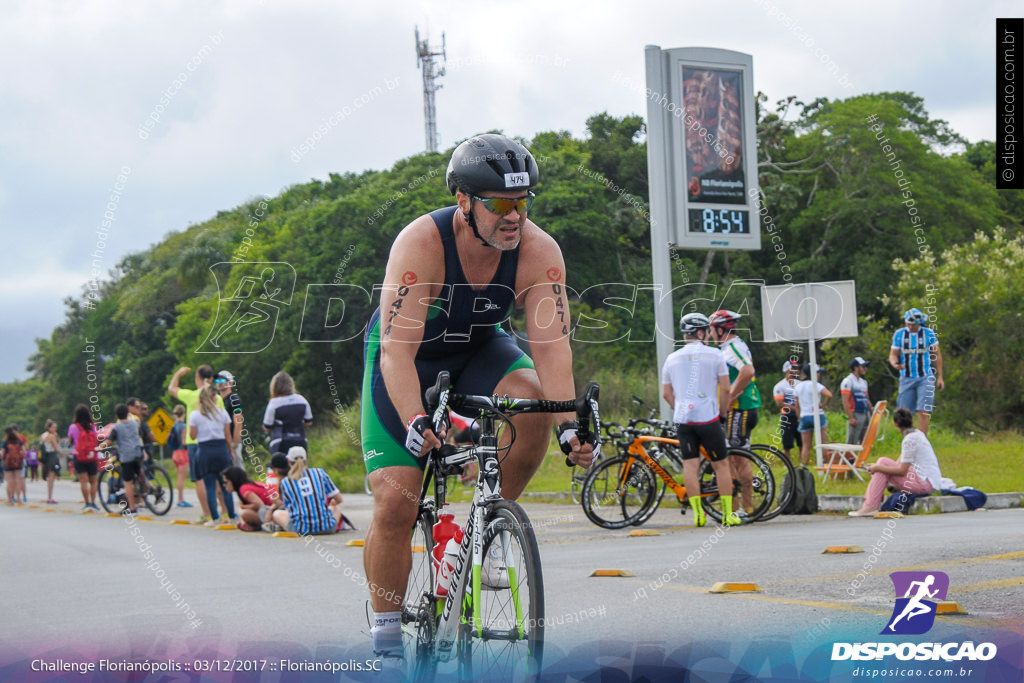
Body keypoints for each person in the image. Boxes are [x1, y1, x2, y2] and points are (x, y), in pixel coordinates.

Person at [360, 134, 593, 655]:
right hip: (409, 361)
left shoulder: (539, 251)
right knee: (397, 500)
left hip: (481, 350)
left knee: (532, 400)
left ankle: (483, 531)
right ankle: (386, 636)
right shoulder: (421, 243)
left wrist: (570, 426)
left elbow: (553, 351)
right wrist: (417, 419)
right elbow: (396, 354)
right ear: (464, 201)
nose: (515, 216)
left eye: (524, 201)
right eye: (502, 204)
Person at [662, 313, 740, 526]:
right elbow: (725, 389)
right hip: (708, 418)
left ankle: (698, 514)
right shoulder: (715, 355)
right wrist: (722, 414)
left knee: (690, 466)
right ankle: (726, 514)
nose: (709, 334)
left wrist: (679, 408)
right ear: (700, 332)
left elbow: (666, 394)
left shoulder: (671, 358)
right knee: (721, 465)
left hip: (684, 420)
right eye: (707, 330)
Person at [708, 309, 758, 518]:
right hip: (742, 409)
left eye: (711, 330)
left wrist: (730, 396)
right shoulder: (729, 347)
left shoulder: (733, 347)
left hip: (740, 409)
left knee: (734, 459)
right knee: (734, 458)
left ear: (720, 329)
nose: (709, 334)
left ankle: (742, 508)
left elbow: (748, 370)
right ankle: (745, 508)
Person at [848, 407, 942, 516]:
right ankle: (873, 501)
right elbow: (901, 460)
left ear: (895, 425)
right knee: (883, 464)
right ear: (912, 420)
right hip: (930, 482)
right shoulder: (918, 434)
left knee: (882, 462)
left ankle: (870, 506)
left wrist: (877, 468)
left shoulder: (909, 440)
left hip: (925, 484)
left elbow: (902, 470)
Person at [169, 365, 224, 522]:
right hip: (215, 439)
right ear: (211, 379)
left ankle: (207, 514)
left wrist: (178, 373)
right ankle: (224, 512)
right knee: (216, 476)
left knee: (199, 478)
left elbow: (172, 388)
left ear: (197, 378)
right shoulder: (217, 398)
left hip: (195, 441)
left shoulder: (191, 395)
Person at [188, 384, 237, 527]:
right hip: (221, 449)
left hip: (204, 450)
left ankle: (214, 518)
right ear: (212, 397)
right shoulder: (222, 413)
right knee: (225, 485)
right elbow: (227, 434)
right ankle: (231, 515)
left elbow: (193, 435)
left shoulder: (195, 415)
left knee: (209, 485)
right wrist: (230, 451)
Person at [889, 308, 944, 434]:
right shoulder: (899, 334)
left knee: (923, 410)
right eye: (908, 323)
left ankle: (922, 440)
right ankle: (908, 440)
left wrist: (940, 377)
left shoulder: (928, 333)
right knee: (903, 412)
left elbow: (937, 355)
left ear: (919, 323)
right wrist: (895, 364)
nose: (910, 326)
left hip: (925, 376)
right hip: (906, 377)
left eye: (913, 324)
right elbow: (893, 355)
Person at [270, 446, 343, 535]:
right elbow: (339, 499)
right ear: (306, 460)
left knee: (277, 513)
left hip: (300, 530)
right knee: (337, 508)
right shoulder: (320, 472)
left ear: (289, 462)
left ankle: (281, 527)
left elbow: (289, 508)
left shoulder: (285, 482)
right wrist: (333, 503)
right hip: (327, 528)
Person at [99, 404, 145, 514]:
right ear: (127, 413)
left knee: (127, 482)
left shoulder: (117, 427)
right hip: (138, 452)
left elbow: (109, 441)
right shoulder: (135, 423)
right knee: (139, 476)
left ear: (117, 415)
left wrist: (99, 447)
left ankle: (133, 508)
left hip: (127, 456)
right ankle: (143, 496)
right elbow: (139, 435)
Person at [263, 371, 312, 454]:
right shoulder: (302, 400)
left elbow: (267, 426)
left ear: (274, 387)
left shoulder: (274, 403)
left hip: (281, 443)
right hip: (300, 440)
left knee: (280, 466)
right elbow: (309, 422)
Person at [794, 364, 832, 466]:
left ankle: (804, 465)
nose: (819, 375)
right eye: (818, 372)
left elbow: (797, 405)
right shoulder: (816, 385)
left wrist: (799, 416)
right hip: (817, 414)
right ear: (813, 374)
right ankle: (825, 463)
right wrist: (823, 404)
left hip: (804, 416)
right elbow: (829, 395)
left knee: (806, 445)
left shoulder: (798, 386)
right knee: (822, 443)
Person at [68, 404, 100, 511]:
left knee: (83, 481)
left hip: (79, 456)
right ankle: (93, 502)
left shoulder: (73, 427)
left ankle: (87, 503)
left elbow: (70, 440)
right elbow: (97, 439)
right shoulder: (93, 427)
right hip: (91, 456)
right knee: (93, 481)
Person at [221, 466, 274, 531]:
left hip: (272, 512)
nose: (224, 485)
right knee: (241, 510)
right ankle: (251, 525)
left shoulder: (244, 489)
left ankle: (261, 525)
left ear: (233, 481)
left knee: (244, 512)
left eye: (226, 482)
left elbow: (260, 505)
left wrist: (245, 507)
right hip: (270, 511)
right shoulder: (245, 486)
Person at [772, 361, 802, 462]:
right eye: (793, 368)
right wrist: (796, 409)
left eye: (796, 368)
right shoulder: (779, 386)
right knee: (787, 444)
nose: (796, 370)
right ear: (787, 370)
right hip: (787, 416)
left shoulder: (800, 384)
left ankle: (803, 463)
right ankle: (787, 464)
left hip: (800, 416)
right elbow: (780, 403)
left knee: (801, 442)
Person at [216, 370, 244, 468]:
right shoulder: (217, 400)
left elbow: (238, 422)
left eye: (223, 381)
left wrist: (234, 443)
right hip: (221, 440)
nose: (219, 383)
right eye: (217, 381)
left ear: (230, 383)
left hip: (232, 438)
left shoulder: (234, 399)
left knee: (237, 468)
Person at [841, 357, 872, 444]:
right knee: (852, 442)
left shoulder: (863, 382)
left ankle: (862, 458)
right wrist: (850, 418)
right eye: (863, 366)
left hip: (865, 414)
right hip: (855, 413)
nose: (865, 369)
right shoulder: (848, 381)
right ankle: (849, 457)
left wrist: (872, 412)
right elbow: (845, 401)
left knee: (865, 442)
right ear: (855, 368)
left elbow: (866, 399)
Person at [166, 405, 192, 507]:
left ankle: (179, 499)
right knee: (182, 478)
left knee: (178, 477)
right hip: (182, 453)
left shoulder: (174, 425)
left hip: (175, 452)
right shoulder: (183, 426)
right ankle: (181, 500)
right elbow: (184, 441)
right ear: (184, 413)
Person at [3, 426, 27, 505]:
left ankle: (10, 500)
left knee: (10, 481)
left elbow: (2, 453)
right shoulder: (19, 441)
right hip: (18, 463)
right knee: (18, 480)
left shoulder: (5, 442)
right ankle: (18, 498)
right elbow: (24, 451)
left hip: (8, 463)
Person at [39, 420, 61, 504]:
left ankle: (49, 496)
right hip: (52, 457)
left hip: (45, 458)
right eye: (53, 427)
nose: (55, 429)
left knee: (49, 477)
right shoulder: (52, 436)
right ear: (49, 427)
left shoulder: (43, 435)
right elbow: (56, 447)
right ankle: (50, 497)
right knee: (51, 478)